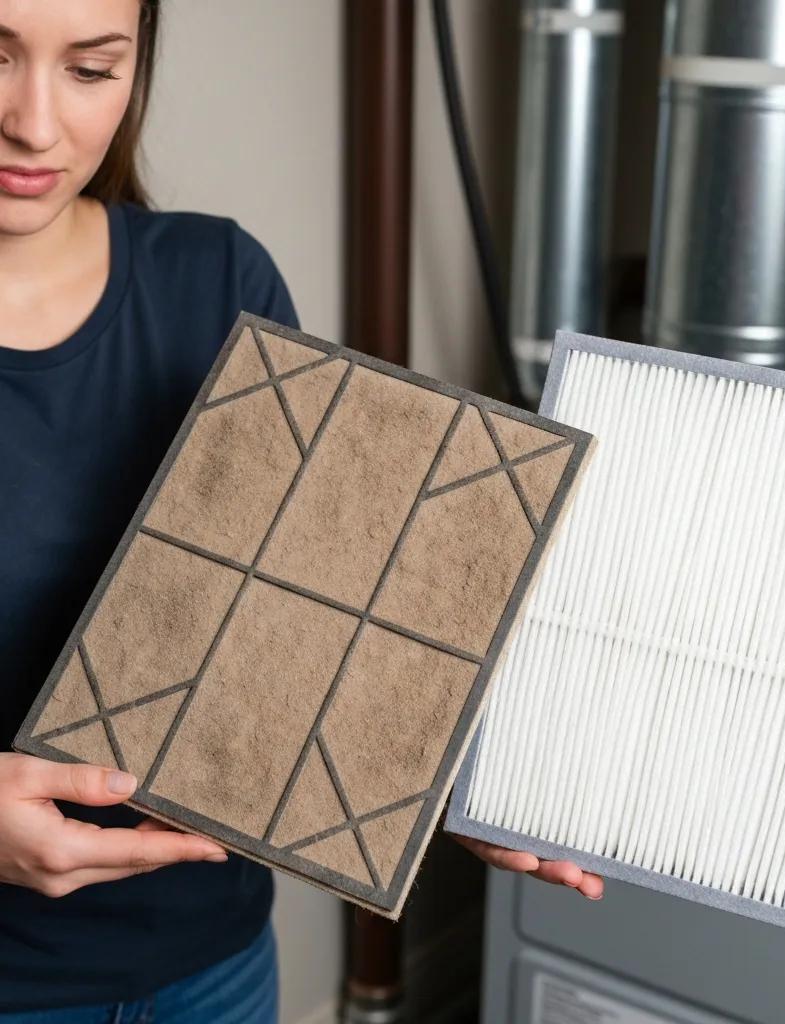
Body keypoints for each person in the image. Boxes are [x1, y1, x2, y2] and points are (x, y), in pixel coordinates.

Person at [0, 1, 603, 1020]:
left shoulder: (219, 281)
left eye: (92, 71)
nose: (35, 122)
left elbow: (308, 626)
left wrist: (439, 778)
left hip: (215, 967)